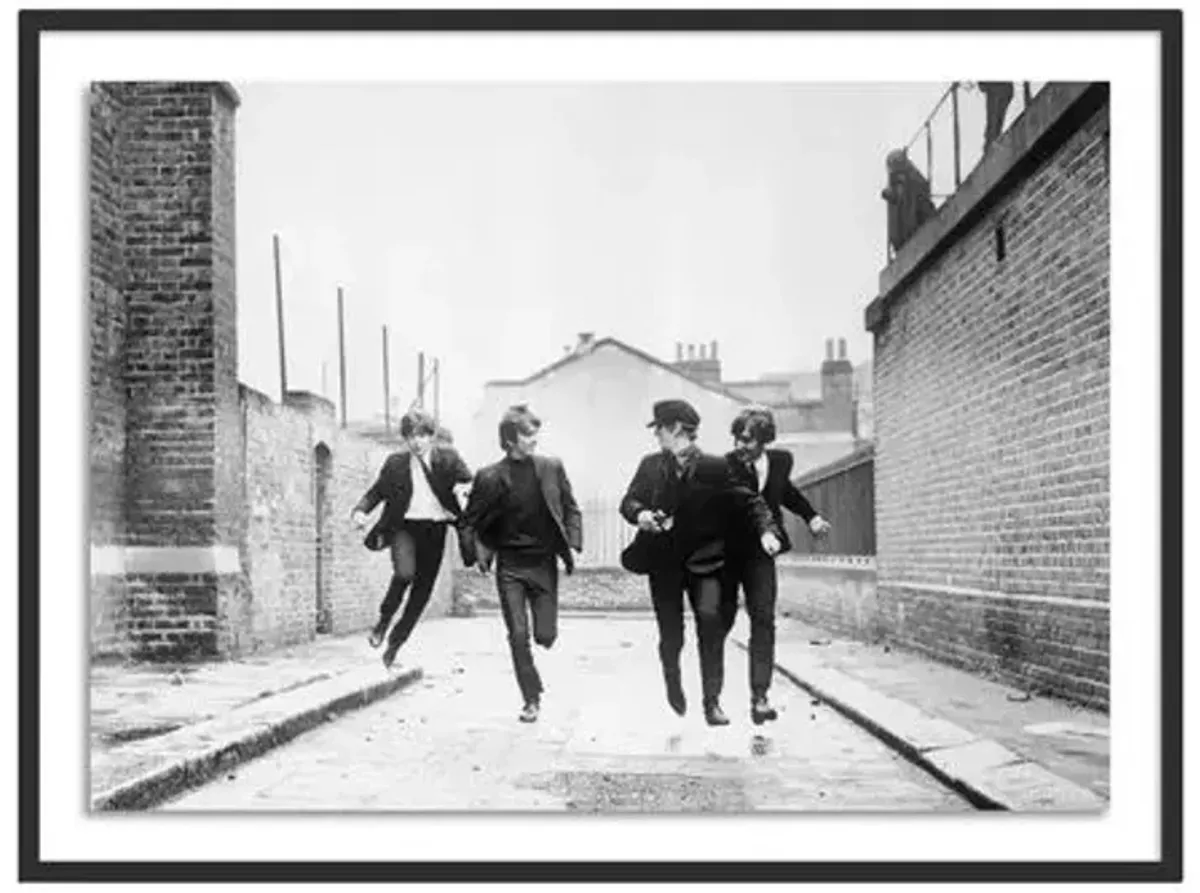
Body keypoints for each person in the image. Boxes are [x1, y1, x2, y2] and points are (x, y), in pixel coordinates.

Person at [619, 399, 781, 726]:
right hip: (663, 566)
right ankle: (672, 676)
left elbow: (751, 501)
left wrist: (767, 530)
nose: (657, 436)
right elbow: (629, 501)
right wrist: (642, 514)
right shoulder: (651, 465)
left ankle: (712, 702)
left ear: (677, 429)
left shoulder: (715, 467)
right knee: (672, 635)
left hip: (705, 566)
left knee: (710, 625)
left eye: (660, 429)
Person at [461, 404, 582, 723]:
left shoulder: (551, 467)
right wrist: (474, 555)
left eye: (534, 433)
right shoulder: (489, 476)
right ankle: (531, 698)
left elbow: (571, 507)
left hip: (543, 565)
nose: (534, 440)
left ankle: (542, 652)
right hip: (510, 567)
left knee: (546, 636)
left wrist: (572, 540)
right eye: (528, 435)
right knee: (517, 634)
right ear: (510, 439)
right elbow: (469, 520)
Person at [722, 406, 832, 725]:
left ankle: (760, 696)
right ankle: (712, 695)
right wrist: (764, 530)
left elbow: (786, 493)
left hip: (760, 556)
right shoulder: (726, 467)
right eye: (737, 439)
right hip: (729, 552)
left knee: (763, 621)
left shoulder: (780, 461)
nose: (739, 446)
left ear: (764, 440)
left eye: (746, 440)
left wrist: (811, 516)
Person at [351, 409, 474, 669]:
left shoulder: (448, 459)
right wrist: (361, 511)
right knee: (405, 573)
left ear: (431, 436)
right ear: (405, 439)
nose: (416, 441)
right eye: (411, 436)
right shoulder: (395, 463)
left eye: (422, 435)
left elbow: (469, 483)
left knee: (421, 594)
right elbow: (376, 492)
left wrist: (463, 491)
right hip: (404, 528)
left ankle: (394, 645)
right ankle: (383, 622)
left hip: (436, 530)